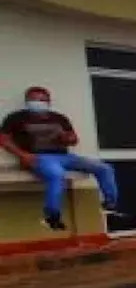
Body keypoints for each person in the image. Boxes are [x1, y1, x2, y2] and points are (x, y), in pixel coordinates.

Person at [0, 86, 120, 230]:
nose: (38, 102)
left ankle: (110, 205)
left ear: (49, 101)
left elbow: (74, 139)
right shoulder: (15, 118)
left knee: (104, 168)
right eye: (34, 99)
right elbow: (3, 139)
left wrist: (68, 138)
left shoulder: (59, 118)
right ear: (27, 101)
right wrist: (22, 155)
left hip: (64, 156)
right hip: (38, 157)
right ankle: (51, 217)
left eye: (42, 100)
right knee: (57, 175)